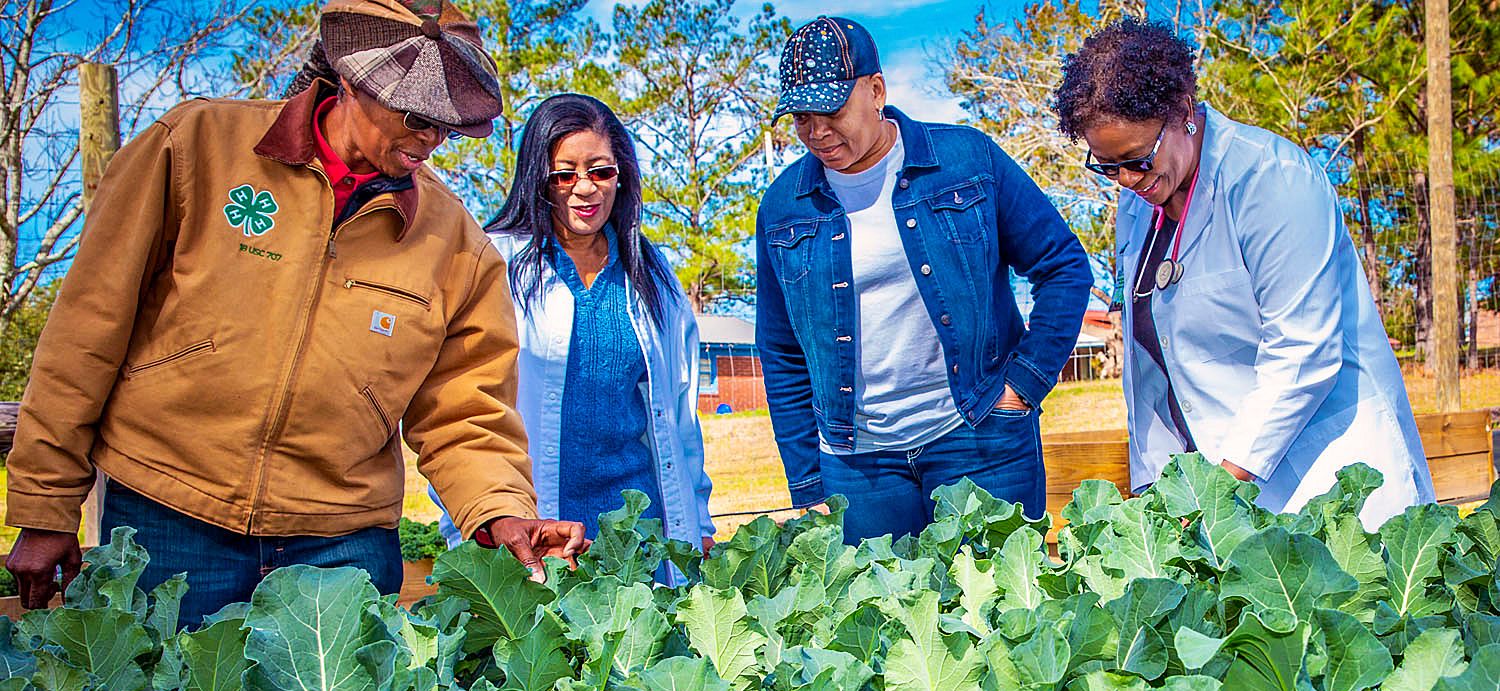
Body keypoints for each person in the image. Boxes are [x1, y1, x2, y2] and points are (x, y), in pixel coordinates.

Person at [3, 0, 587, 625]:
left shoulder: (459, 247)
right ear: (351, 79)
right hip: (166, 520)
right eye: (417, 116)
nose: (432, 138)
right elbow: (85, 333)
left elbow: (468, 412)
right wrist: (45, 504)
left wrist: (501, 510)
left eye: (448, 124)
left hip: (344, 546)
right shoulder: (193, 148)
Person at [1051, 18, 1434, 528]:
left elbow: (1301, 351)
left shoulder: (1272, 179)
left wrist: (1217, 488)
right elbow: (1151, 358)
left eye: (1137, 160)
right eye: (1107, 165)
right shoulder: (1139, 204)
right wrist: (1155, 486)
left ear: (1183, 111)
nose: (1125, 180)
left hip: (1324, 471)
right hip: (1224, 489)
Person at [756, 16, 1093, 543]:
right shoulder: (782, 207)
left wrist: (1023, 387)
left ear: (875, 91)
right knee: (879, 620)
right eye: (801, 116)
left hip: (981, 438)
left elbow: (1064, 266)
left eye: (831, 110)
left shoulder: (968, 160)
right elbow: (780, 350)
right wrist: (806, 483)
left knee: (1002, 616)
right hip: (858, 468)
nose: (817, 131)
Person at [429, 94, 715, 574]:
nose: (584, 189)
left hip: (640, 534)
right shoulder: (493, 262)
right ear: (538, 182)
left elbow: (681, 413)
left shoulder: (653, 273)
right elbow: (457, 408)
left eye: (600, 171)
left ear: (621, 175)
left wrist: (699, 521)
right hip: (538, 533)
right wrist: (476, 520)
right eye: (564, 175)